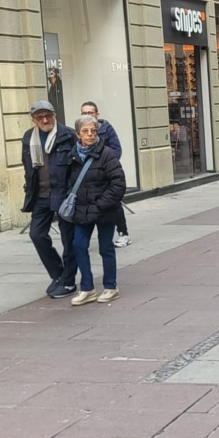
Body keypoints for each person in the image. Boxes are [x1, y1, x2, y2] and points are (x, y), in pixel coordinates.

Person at [65, 115, 127, 306]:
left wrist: (101, 204)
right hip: (82, 211)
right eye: (85, 131)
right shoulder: (73, 155)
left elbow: (118, 184)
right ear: (78, 134)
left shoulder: (107, 154)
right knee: (79, 245)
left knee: (105, 247)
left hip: (104, 210)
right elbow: (68, 182)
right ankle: (87, 288)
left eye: (93, 130)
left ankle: (110, 287)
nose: (90, 135)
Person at [20, 100, 79, 299]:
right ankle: (58, 274)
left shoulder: (69, 135)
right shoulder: (29, 137)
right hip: (41, 195)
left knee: (68, 240)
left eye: (48, 116)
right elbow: (27, 166)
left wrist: (74, 192)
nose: (45, 120)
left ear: (54, 114)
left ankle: (69, 282)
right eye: (40, 117)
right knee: (36, 235)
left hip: (63, 195)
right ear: (34, 120)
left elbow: (77, 167)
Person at [80, 101, 131, 248]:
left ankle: (123, 233)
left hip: (106, 174)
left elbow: (117, 149)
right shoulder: (79, 129)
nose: (87, 115)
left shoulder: (106, 129)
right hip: (89, 176)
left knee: (114, 204)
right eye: (84, 113)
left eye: (90, 113)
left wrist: (105, 164)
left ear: (97, 114)